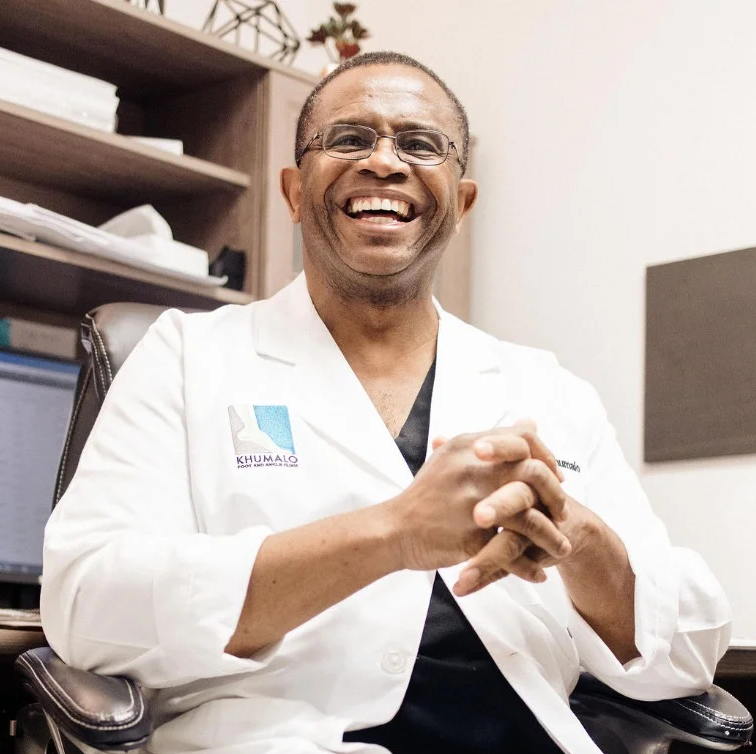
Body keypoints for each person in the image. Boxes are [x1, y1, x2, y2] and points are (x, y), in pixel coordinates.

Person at [41, 51, 731, 754]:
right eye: (348, 138)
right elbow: (87, 604)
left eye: (420, 144)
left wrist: (574, 536)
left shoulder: (545, 388)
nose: (384, 162)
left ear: (460, 203)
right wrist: (391, 534)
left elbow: (688, 648)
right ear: (294, 192)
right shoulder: (186, 358)